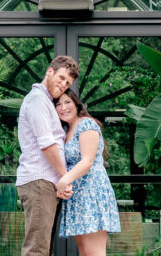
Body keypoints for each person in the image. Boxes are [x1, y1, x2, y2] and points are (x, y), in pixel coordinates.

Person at [16, 55, 79, 256]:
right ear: (49, 71)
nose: (63, 84)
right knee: (36, 250)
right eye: (61, 78)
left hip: (45, 184)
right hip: (38, 182)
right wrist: (65, 177)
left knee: (43, 250)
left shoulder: (45, 102)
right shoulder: (37, 99)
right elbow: (47, 144)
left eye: (67, 83)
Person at [53, 88, 120, 256]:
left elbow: (87, 161)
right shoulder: (67, 131)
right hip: (77, 195)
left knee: (94, 252)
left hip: (92, 192)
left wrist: (63, 181)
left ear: (77, 104)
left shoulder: (86, 124)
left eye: (67, 102)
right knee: (84, 252)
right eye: (58, 104)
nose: (63, 107)